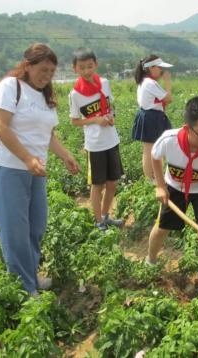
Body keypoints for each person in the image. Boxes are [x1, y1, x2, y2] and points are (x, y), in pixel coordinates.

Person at [0, 43, 80, 296]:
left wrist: (65, 156)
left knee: (36, 227)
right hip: (10, 168)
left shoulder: (44, 96)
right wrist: (28, 158)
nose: (47, 75)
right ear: (27, 66)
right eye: (43, 69)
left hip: (35, 171)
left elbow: (47, 134)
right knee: (15, 231)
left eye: (51, 71)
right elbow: (1, 126)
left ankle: (29, 274)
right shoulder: (10, 87)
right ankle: (24, 288)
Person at [146, 96, 198, 316]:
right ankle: (150, 261)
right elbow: (155, 157)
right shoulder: (169, 140)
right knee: (162, 227)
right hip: (174, 188)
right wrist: (160, 186)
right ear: (188, 127)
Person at [69, 47, 124, 232]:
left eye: (90, 66)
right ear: (75, 69)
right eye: (82, 67)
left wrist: (111, 116)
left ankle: (107, 215)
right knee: (97, 184)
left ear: (96, 65)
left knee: (112, 182)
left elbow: (110, 105)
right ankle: (99, 220)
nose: (86, 71)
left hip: (112, 140)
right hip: (95, 145)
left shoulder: (105, 83)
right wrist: (95, 120)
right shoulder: (75, 94)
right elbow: (74, 121)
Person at [131, 55, 173, 180]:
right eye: (159, 67)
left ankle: (153, 178)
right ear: (151, 68)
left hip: (149, 116)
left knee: (150, 149)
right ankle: (151, 179)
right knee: (151, 149)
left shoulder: (144, 81)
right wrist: (167, 82)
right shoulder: (150, 83)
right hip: (152, 117)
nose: (161, 71)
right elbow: (168, 99)